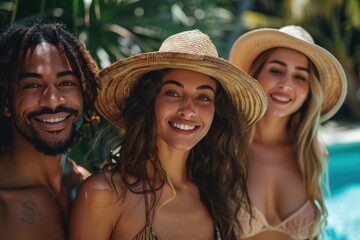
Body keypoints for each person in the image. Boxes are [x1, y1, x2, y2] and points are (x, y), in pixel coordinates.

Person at [68, 29, 267, 240]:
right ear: (149, 100)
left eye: (203, 97)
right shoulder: (104, 195)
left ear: (216, 112)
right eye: (173, 92)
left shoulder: (217, 198)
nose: (188, 109)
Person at [229, 25, 347, 239]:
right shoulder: (225, 149)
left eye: (300, 77)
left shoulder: (312, 155)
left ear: (309, 91)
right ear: (254, 76)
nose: (286, 84)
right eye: (276, 70)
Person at [0, 21, 99, 239]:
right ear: (7, 102)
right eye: (32, 85)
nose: (53, 101)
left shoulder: (88, 186)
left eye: (66, 83)